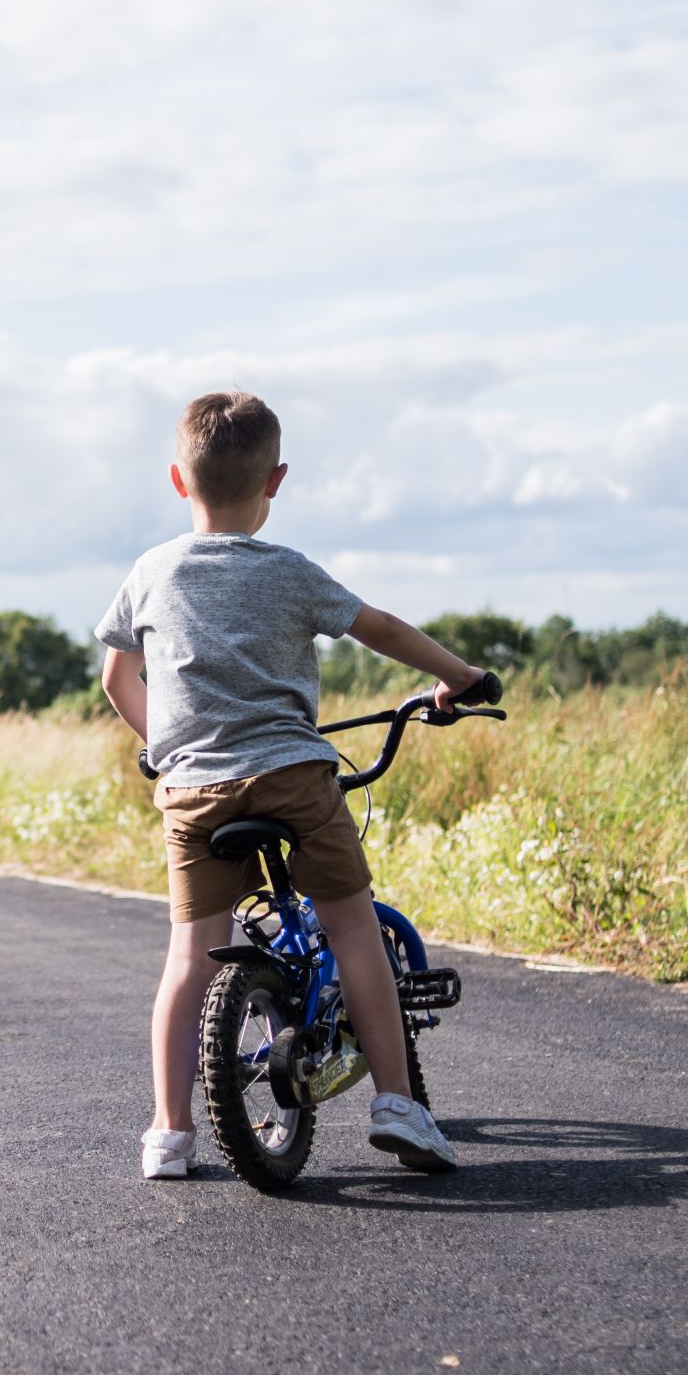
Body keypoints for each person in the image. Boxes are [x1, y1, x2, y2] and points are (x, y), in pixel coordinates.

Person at [95, 390, 489, 1182]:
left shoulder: (151, 571)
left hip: (194, 791)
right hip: (292, 776)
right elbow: (377, 629)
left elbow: (116, 675)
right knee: (350, 930)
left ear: (179, 480)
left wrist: (163, 746)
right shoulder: (289, 572)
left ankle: (169, 1135)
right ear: (275, 481)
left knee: (188, 957)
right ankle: (397, 1105)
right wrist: (459, 676)